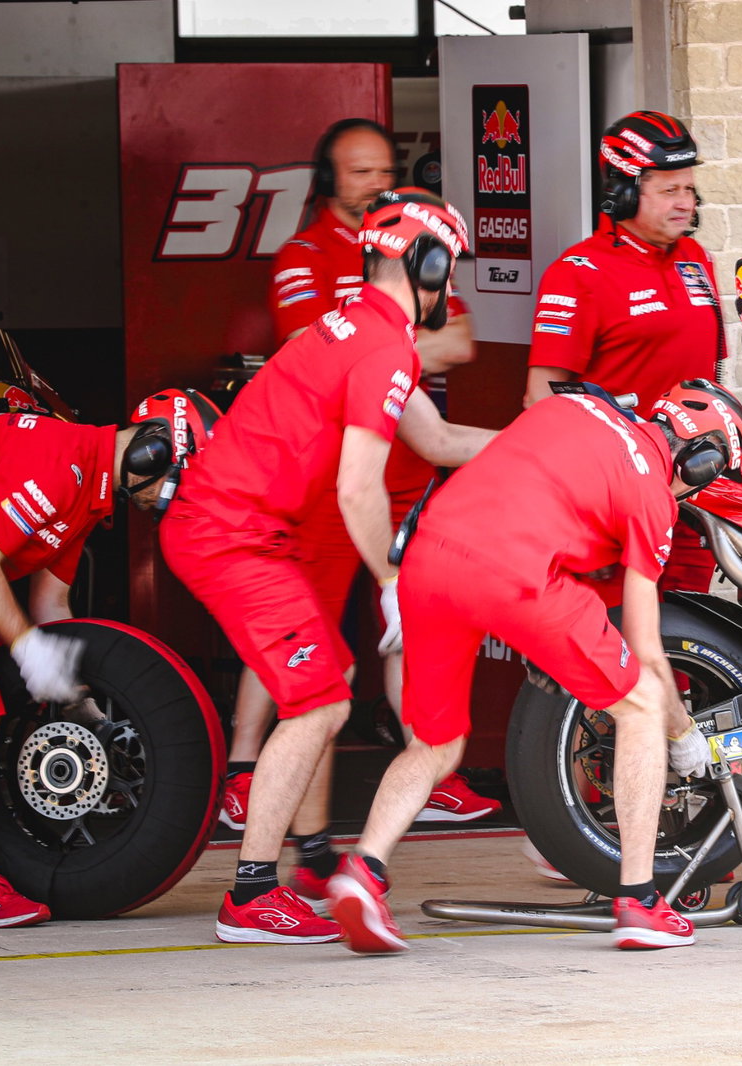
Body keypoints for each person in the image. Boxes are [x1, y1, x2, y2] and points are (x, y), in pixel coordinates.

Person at [160, 188, 496, 944]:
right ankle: (250, 897)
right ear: (429, 261)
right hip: (233, 534)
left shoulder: (362, 329)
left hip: (243, 529)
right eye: (450, 270)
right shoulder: (384, 346)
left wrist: (543, 440)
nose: (453, 289)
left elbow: (437, 441)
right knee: (318, 700)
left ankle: (300, 864)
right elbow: (357, 486)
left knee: (327, 683)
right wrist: (389, 583)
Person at [325, 380, 742, 954]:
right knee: (644, 703)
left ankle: (364, 871)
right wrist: (683, 733)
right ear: (701, 463)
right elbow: (647, 650)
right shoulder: (653, 495)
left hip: (429, 559)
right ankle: (641, 901)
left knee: (434, 742)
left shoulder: (574, 404)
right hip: (515, 574)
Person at [228, 118, 495, 836]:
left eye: (384, 170)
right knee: (307, 651)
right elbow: (318, 362)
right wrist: (387, 583)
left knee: (358, 659)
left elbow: (452, 369)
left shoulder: (395, 269)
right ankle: (245, 785)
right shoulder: (318, 266)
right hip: (312, 497)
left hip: (383, 477)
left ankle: (363, 814)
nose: (378, 183)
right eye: (361, 172)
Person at [0, 389, 218, 928]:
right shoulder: (62, 464)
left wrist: (78, 702)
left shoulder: (91, 496)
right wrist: (25, 646)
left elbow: (48, 606)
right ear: (148, 453)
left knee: (5, 687)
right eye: (175, 483)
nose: (169, 502)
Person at [524, 110, 725, 595]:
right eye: (669, 191)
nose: (685, 203)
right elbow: (540, 401)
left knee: (694, 641)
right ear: (626, 191)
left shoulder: (695, 259)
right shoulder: (577, 273)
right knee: (619, 647)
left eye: (689, 189)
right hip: (615, 495)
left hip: (694, 486)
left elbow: (712, 370)